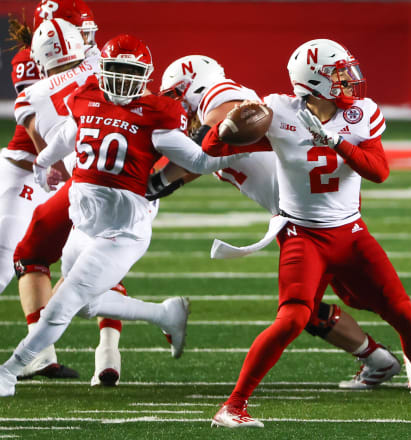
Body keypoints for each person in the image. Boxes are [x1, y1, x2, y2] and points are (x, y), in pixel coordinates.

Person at [202, 39, 411, 428]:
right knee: (293, 318)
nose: (348, 80)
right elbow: (214, 147)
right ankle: (233, 406)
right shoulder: (277, 111)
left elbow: (378, 172)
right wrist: (232, 123)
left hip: (351, 233)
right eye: (338, 73)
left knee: (405, 315)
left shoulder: (361, 114)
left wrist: (336, 142)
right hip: (302, 235)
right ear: (313, 81)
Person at [0, 31, 258, 398]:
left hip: (122, 232)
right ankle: (165, 315)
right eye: (115, 69)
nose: (122, 78)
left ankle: (8, 372)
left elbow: (199, 161)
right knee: (87, 306)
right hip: (83, 224)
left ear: (145, 75)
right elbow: (68, 135)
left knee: (62, 304)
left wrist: (237, 147)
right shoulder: (86, 99)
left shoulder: (157, 115)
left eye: (129, 70)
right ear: (102, 69)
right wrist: (42, 164)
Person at [14, 0, 131, 387]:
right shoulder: (105, 65)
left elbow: (49, 158)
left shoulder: (32, 93)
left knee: (30, 255)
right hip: (131, 184)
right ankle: (108, 354)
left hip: (82, 183)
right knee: (100, 260)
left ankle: (40, 351)